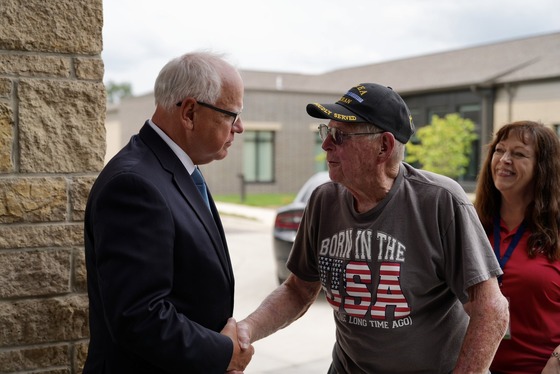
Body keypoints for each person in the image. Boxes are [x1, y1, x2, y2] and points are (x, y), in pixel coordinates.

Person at [237, 83, 509, 373]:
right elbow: (298, 290)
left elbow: (490, 309)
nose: (326, 144)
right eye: (326, 132)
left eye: (340, 135)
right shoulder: (323, 200)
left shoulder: (440, 202)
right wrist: (246, 329)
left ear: (384, 146)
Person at [83, 51, 254, 373]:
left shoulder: (178, 170)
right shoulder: (134, 185)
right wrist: (224, 352)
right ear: (189, 112)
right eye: (232, 115)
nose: (240, 128)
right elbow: (139, 316)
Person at [474, 120, 560, 374]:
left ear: (543, 168)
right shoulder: (471, 227)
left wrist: (558, 359)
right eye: (499, 150)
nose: (504, 159)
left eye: (519, 154)